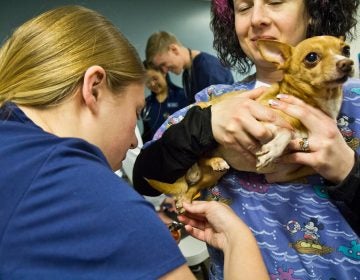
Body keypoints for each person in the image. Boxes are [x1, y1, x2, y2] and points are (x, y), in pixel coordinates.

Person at [0, 5, 270, 279]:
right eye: (136, 112)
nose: (133, 142)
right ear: (94, 88)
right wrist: (238, 240)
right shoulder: (88, 193)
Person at [133, 0, 360, 279]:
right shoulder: (212, 98)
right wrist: (206, 124)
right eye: (243, 7)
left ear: (312, 12)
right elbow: (144, 176)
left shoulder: (356, 104)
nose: (257, 18)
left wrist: (348, 170)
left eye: (275, 1)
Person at [145, 31, 234, 103]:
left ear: (174, 50)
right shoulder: (187, 73)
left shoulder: (209, 68)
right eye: (160, 68)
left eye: (163, 64)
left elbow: (222, 111)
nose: (164, 70)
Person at [142, 63, 189, 142]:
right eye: (147, 81)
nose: (152, 84)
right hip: (157, 151)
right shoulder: (146, 104)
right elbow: (147, 135)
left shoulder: (183, 96)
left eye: (155, 78)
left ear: (163, 73)